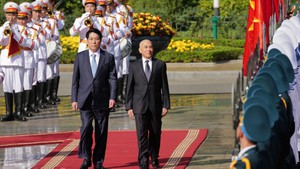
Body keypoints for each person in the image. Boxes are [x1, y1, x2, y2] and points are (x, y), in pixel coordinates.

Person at [71, 28, 117, 169]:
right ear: (87, 40)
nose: (94, 41)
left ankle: (98, 161)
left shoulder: (108, 57)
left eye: (96, 39)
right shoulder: (80, 57)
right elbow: (75, 80)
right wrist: (74, 99)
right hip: (84, 99)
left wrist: (112, 97)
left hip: (102, 99)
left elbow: (113, 78)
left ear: (100, 40)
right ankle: (86, 157)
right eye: (91, 39)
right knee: (85, 128)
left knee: (101, 131)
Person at [125, 39, 170, 169]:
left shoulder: (160, 65)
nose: (148, 49)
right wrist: (129, 106)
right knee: (141, 134)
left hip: (155, 105)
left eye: (150, 47)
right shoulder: (133, 66)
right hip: (139, 106)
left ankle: (154, 157)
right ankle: (143, 161)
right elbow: (129, 87)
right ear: (140, 50)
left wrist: (165, 104)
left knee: (155, 133)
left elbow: (164, 87)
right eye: (145, 47)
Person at [0, 2, 36, 122]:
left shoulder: (20, 28)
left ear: (16, 15)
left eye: (13, 15)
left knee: (18, 86)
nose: (11, 17)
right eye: (9, 15)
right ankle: (9, 113)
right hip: (6, 60)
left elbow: (24, 42)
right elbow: (1, 41)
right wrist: (5, 30)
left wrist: (14, 32)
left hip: (18, 59)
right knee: (7, 87)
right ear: (6, 15)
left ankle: (19, 112)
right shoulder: (2, 28)